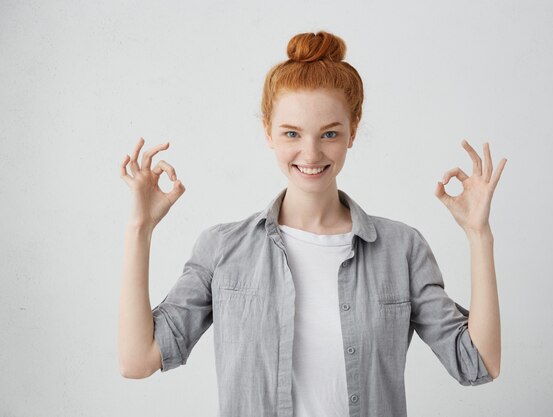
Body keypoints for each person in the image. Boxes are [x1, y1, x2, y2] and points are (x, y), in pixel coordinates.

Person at [118, 30, 505, 417]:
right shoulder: (222, 250)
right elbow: (139, 361)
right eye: (292, 133)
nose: (311, 152)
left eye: (330, 134)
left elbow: (478, 362)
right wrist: (141, 228)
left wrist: (478, 234)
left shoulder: (401, 249)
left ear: (353, 129)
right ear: (267, 130)